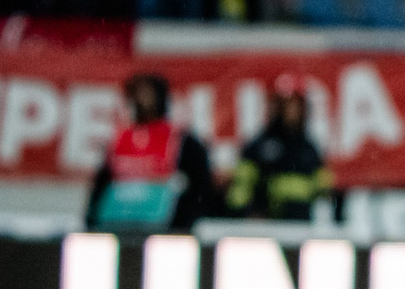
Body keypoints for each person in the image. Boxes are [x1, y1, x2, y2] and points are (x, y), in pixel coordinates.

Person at [86, 73, 214, 232]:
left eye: (147, 95)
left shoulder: (181, 141)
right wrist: (92, 219)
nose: (141, 101)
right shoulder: (119, 140)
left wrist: (185, 222)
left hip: (166, 227)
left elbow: (200, 186)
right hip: (117, 223)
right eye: (136, 95)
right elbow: (102, 183)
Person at [224, 75, 332, 221]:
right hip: (267, 223)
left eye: (296, 105)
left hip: (302, 224)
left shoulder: (309, 148)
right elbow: (241, 188)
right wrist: (245, 214)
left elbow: (322, 188)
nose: (292, 111)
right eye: (287, 104)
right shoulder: (260, 145)